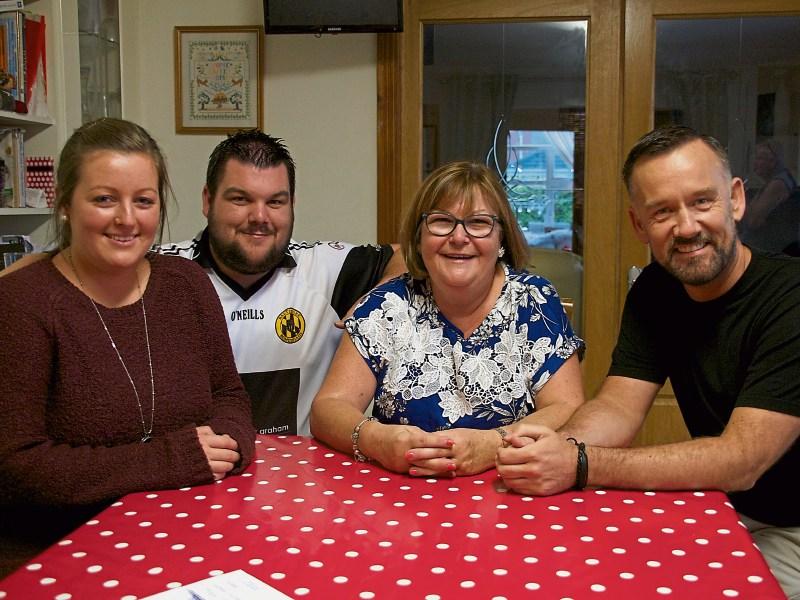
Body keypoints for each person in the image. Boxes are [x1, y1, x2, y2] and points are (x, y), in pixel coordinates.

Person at [495, 126, 800, 598]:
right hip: (722, 504)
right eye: (662, 211)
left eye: (702, 201)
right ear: (639, 225)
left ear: (735, 199)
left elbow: (743, 460)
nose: (686, 227)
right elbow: (619, 405)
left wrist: (577, 462)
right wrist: (551, 446)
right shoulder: (656, 290)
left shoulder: (791, 296)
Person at [0, 118, 255, 578]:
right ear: (64, 204)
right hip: (58, 554)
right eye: (104, 199)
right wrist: (166, 461)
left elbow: (229, 396)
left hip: (189, 536)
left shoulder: (187, 285)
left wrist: (230, 444)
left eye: (143, 200)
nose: (127, 219)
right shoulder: (24, 304)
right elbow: (16, 467)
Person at [310, 161, 585, 477]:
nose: (459, 237)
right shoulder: (386, 305)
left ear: (502, 239)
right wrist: (377, 440)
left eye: (478, 223)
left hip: (511, 489)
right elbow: (328, 408)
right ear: (419, 237)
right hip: (401, 500)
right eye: (442, 221)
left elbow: (568, 408)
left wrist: (495, 444)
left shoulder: (534, 301)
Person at [159, 130, 404, 436]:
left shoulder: (325, 269)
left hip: (299, 476)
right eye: (240, 199)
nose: (259, 216)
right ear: (208, 200)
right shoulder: (159, 273)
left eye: (275, 202)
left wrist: (382, 295)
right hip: (193, 473)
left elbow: (408, 252)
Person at [739, 139, 799, 255]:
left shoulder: (778, 183)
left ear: (773, 161)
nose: (755, 163)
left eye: (760, 158)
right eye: (756, 157)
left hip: (770, 252)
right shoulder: (771, 182)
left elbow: (753, 221)